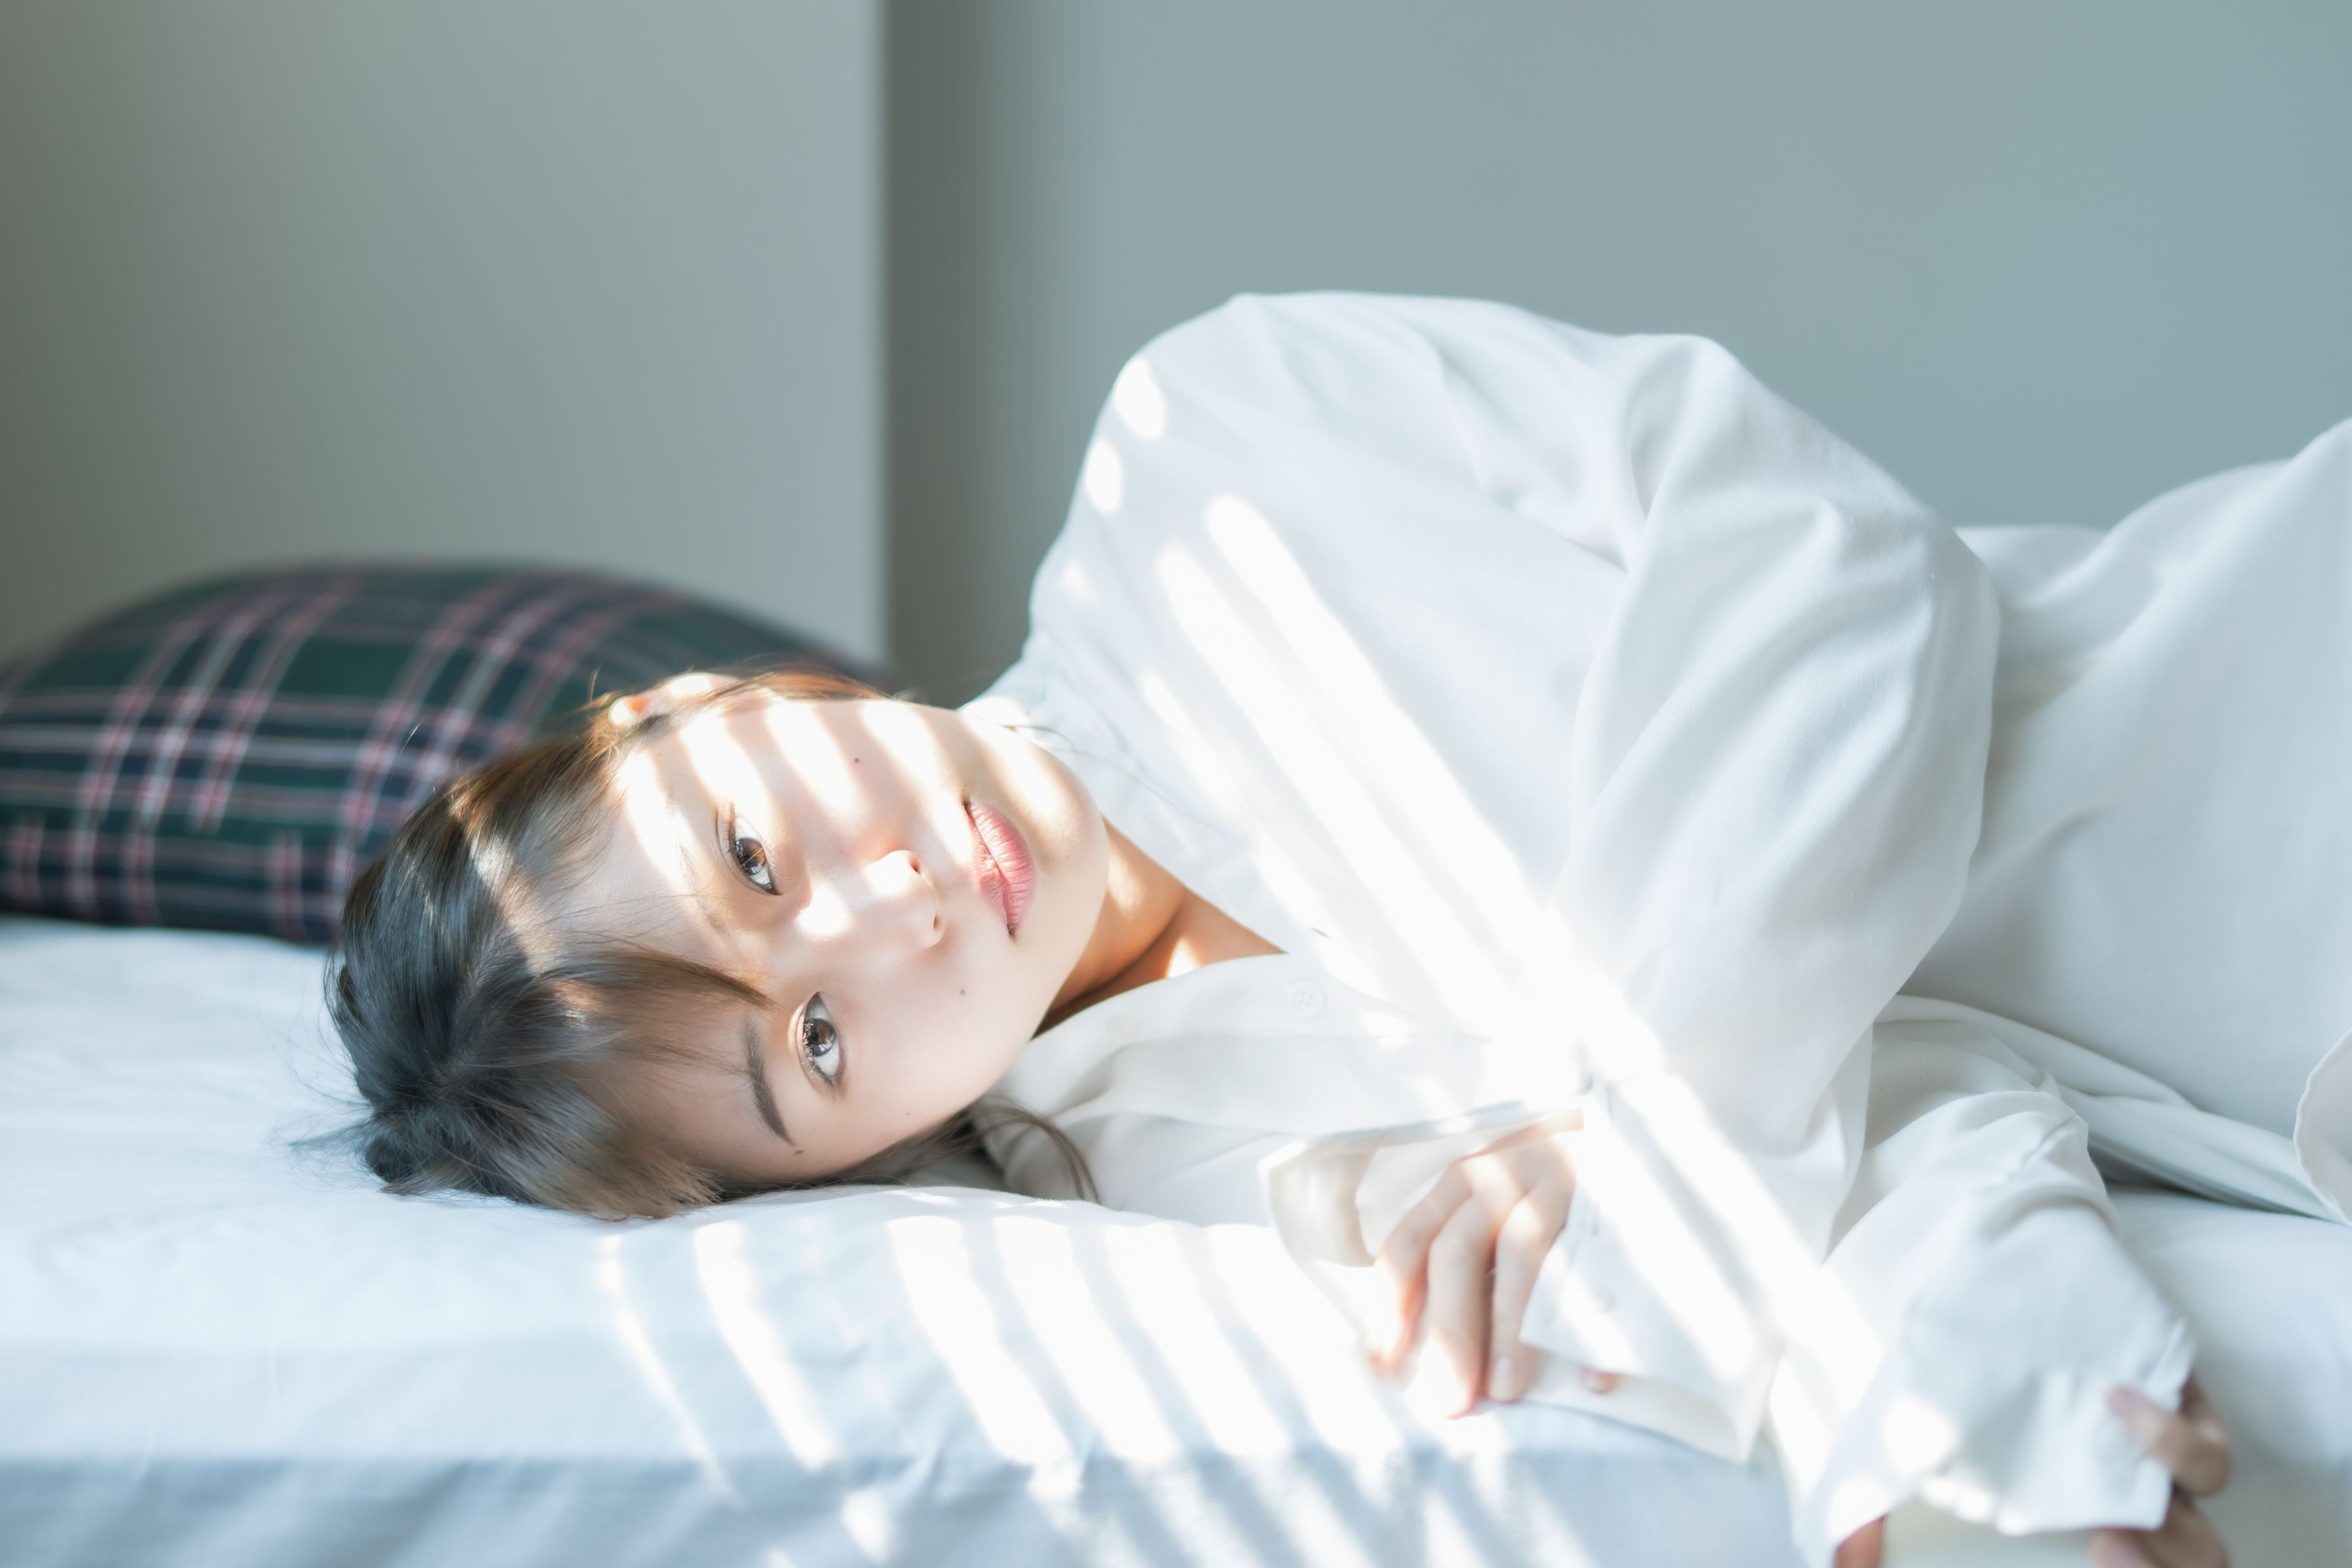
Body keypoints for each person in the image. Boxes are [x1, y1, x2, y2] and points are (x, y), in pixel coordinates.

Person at [329, 294, 2349, 1568]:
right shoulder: (1169, 1159)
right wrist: (1995, 1436)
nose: (891, 910)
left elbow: (1830, 564)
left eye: (758, 856)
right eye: (821, 1045)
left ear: (698, 710)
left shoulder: (1215, 446)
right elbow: (1895, 1078)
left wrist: (1638, 1105)